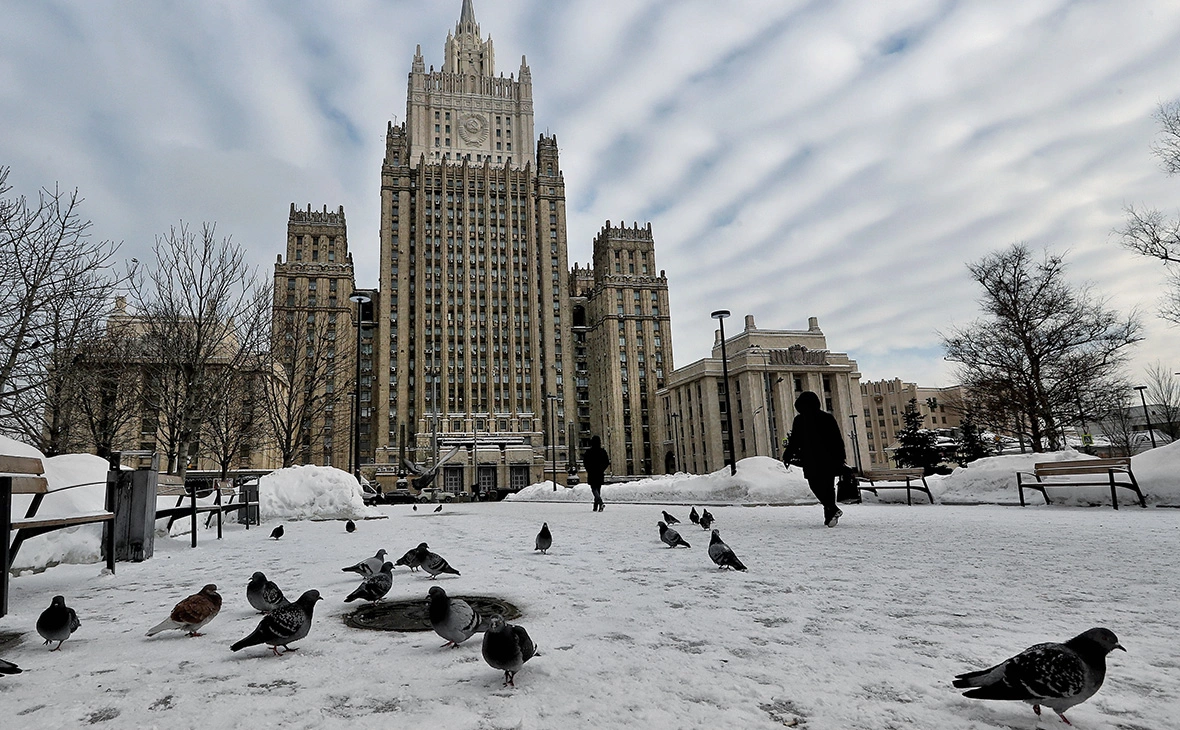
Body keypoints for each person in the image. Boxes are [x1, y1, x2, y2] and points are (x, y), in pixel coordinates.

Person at [781, 391, 847, 527]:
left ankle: (831, 514)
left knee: (819, 486)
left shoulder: (804, 419)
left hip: (816, 459)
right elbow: (837, 440)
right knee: (824, 487)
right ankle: (831, 512)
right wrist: (841, 458)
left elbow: (795, 441)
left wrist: (787, 455)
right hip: (823, 458)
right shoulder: (821, 418)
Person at [581, 434, 610, 512]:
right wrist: (602, 469)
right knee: (598, 489)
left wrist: (589, 469)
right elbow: (607, 462)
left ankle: (600, 503)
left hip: (592, 473)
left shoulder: (589, 452)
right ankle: (595, 506)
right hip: (600, 473)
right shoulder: (602, 451)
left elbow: (585, 462)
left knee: (594, 489)